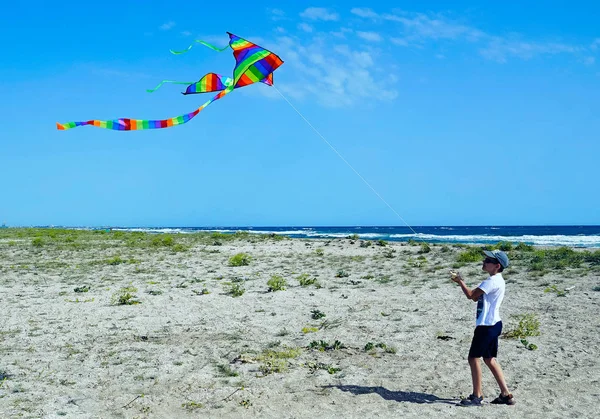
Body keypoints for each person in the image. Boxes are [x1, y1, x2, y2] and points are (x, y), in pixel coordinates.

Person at [451, 249, 516, 406]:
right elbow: (477, 298)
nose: (484, 262)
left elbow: (471, 295)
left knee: (473, 358)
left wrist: (460, 281)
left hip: (486, 326)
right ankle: (506, 394)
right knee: (489, 359)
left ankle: (477, 396)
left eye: (488, 260)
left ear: (497, 266)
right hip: (495, 324)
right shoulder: (498, 280)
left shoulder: (491, 281)